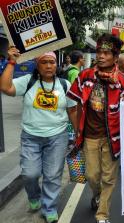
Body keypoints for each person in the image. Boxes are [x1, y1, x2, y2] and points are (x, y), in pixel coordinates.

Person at [0, 48, 78, 223]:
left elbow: (72, 110)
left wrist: (78, 133)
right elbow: (5, 87)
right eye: (44, 62)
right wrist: (11, 62)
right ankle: (34, 196)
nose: (49, 66)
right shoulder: (28, 81)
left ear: (56, 65)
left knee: (52, 175)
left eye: (52, 62)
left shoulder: (65, 85)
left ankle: (49, 207)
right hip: (31, 137)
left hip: (58, 137)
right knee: (30, 174)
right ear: (37, 64)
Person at [67, 34, 124, 223]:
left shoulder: (122, 81)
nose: (101, 56)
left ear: (114, 57)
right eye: (99, 52)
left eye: (106, 53)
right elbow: (72, 103)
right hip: (89, 136)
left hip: (113, 138)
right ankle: (96, 194)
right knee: (92, 175)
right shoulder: (85, 75)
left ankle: (102, 214)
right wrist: (77, 128)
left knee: (109, 178)